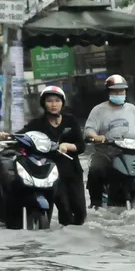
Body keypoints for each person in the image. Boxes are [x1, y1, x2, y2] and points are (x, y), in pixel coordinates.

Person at [20, 85, 87, 225]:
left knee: (80, 212)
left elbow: (81, 146)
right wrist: (5, 136)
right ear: (44, 103)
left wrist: (67, 146)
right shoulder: (37, 124)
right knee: (65, 211)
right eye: (49, 101)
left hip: (72, 171)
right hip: (50, 172)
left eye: (57, 100)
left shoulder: (71, 120)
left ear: (62, 102)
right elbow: (22, 136)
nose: (53, 104)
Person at [84, 74, 135, 208]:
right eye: (115, 91)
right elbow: (89, 129)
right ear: (108, 92)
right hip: (106, 153)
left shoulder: (132, 109)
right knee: (96, 169)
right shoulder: (98, 110)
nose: (119, 93)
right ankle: (96, 204)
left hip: (130, 153)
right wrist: (96, 137)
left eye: (122, 91)